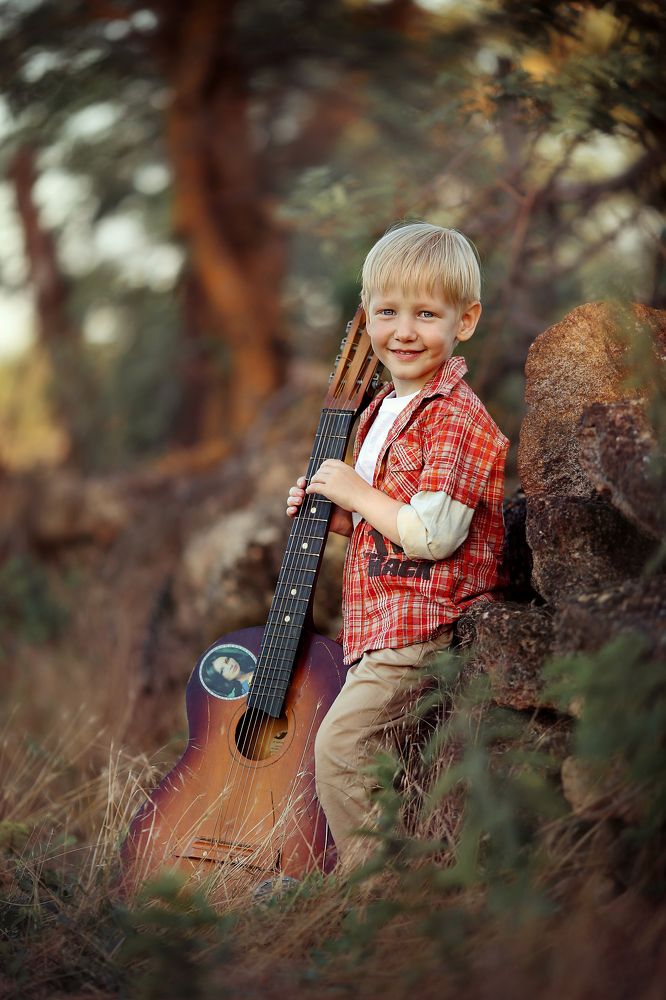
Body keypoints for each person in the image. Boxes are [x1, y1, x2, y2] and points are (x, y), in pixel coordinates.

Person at [286, 221, 509, 869]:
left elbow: (434, 535)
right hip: (380, 625)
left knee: (341, 749)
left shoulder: (456, 417)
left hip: (427, 624)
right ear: (365, 317)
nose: (404, 331)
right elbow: (386, 516)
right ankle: (399, 880)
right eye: (387, 312)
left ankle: (373, 892)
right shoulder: (381, 406)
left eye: (426, 314)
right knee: (374, 760)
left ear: (464, 321)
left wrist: (356, 493)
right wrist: (329, 510)